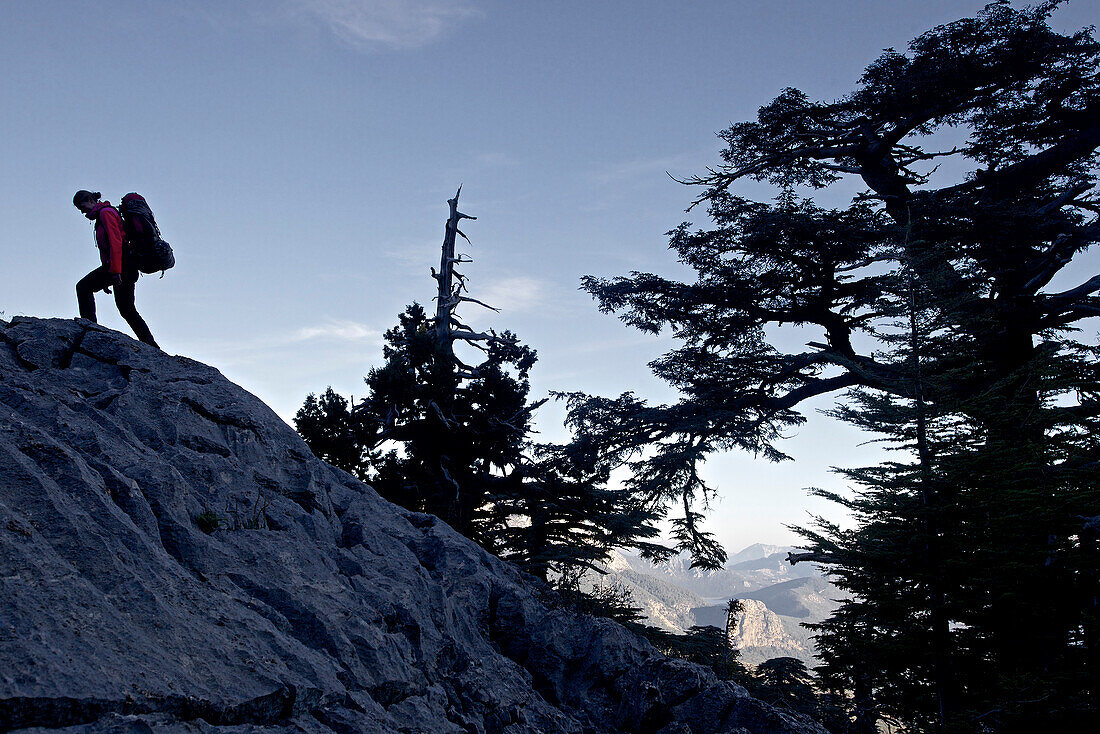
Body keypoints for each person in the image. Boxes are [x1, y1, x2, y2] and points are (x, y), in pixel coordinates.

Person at [73, 190, 159, 348]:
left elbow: (115, 243)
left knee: (83, 287)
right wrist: (107, 278)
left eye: (82, 206)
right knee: (126, 308)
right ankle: (151, 345)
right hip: (122, 265)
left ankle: (90, 327)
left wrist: (115, 272)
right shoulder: (103, 214)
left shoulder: (106, 213)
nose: (81, 211)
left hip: (123, 265)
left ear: (91, 200)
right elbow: (108, 248)